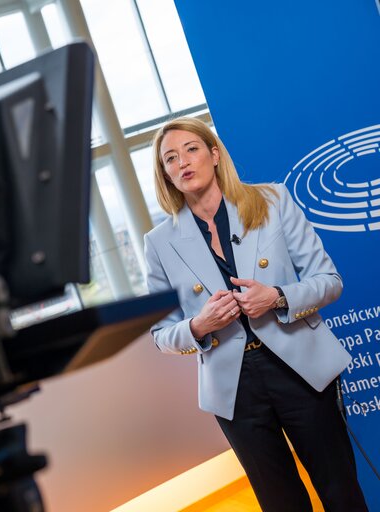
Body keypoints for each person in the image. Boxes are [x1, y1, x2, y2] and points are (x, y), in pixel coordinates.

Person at [143, 116, 368, 511]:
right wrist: (199, 325)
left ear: (214, 154)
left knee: (341, 492)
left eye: (191, 150)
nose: (182, 163)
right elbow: (160, 335)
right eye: (170, 158)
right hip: (234, 388)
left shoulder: (272, 200)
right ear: (165, 174)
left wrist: (277, 296)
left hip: (300, 368)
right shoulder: (158, 242)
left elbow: (329, 280)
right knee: (280, 502)